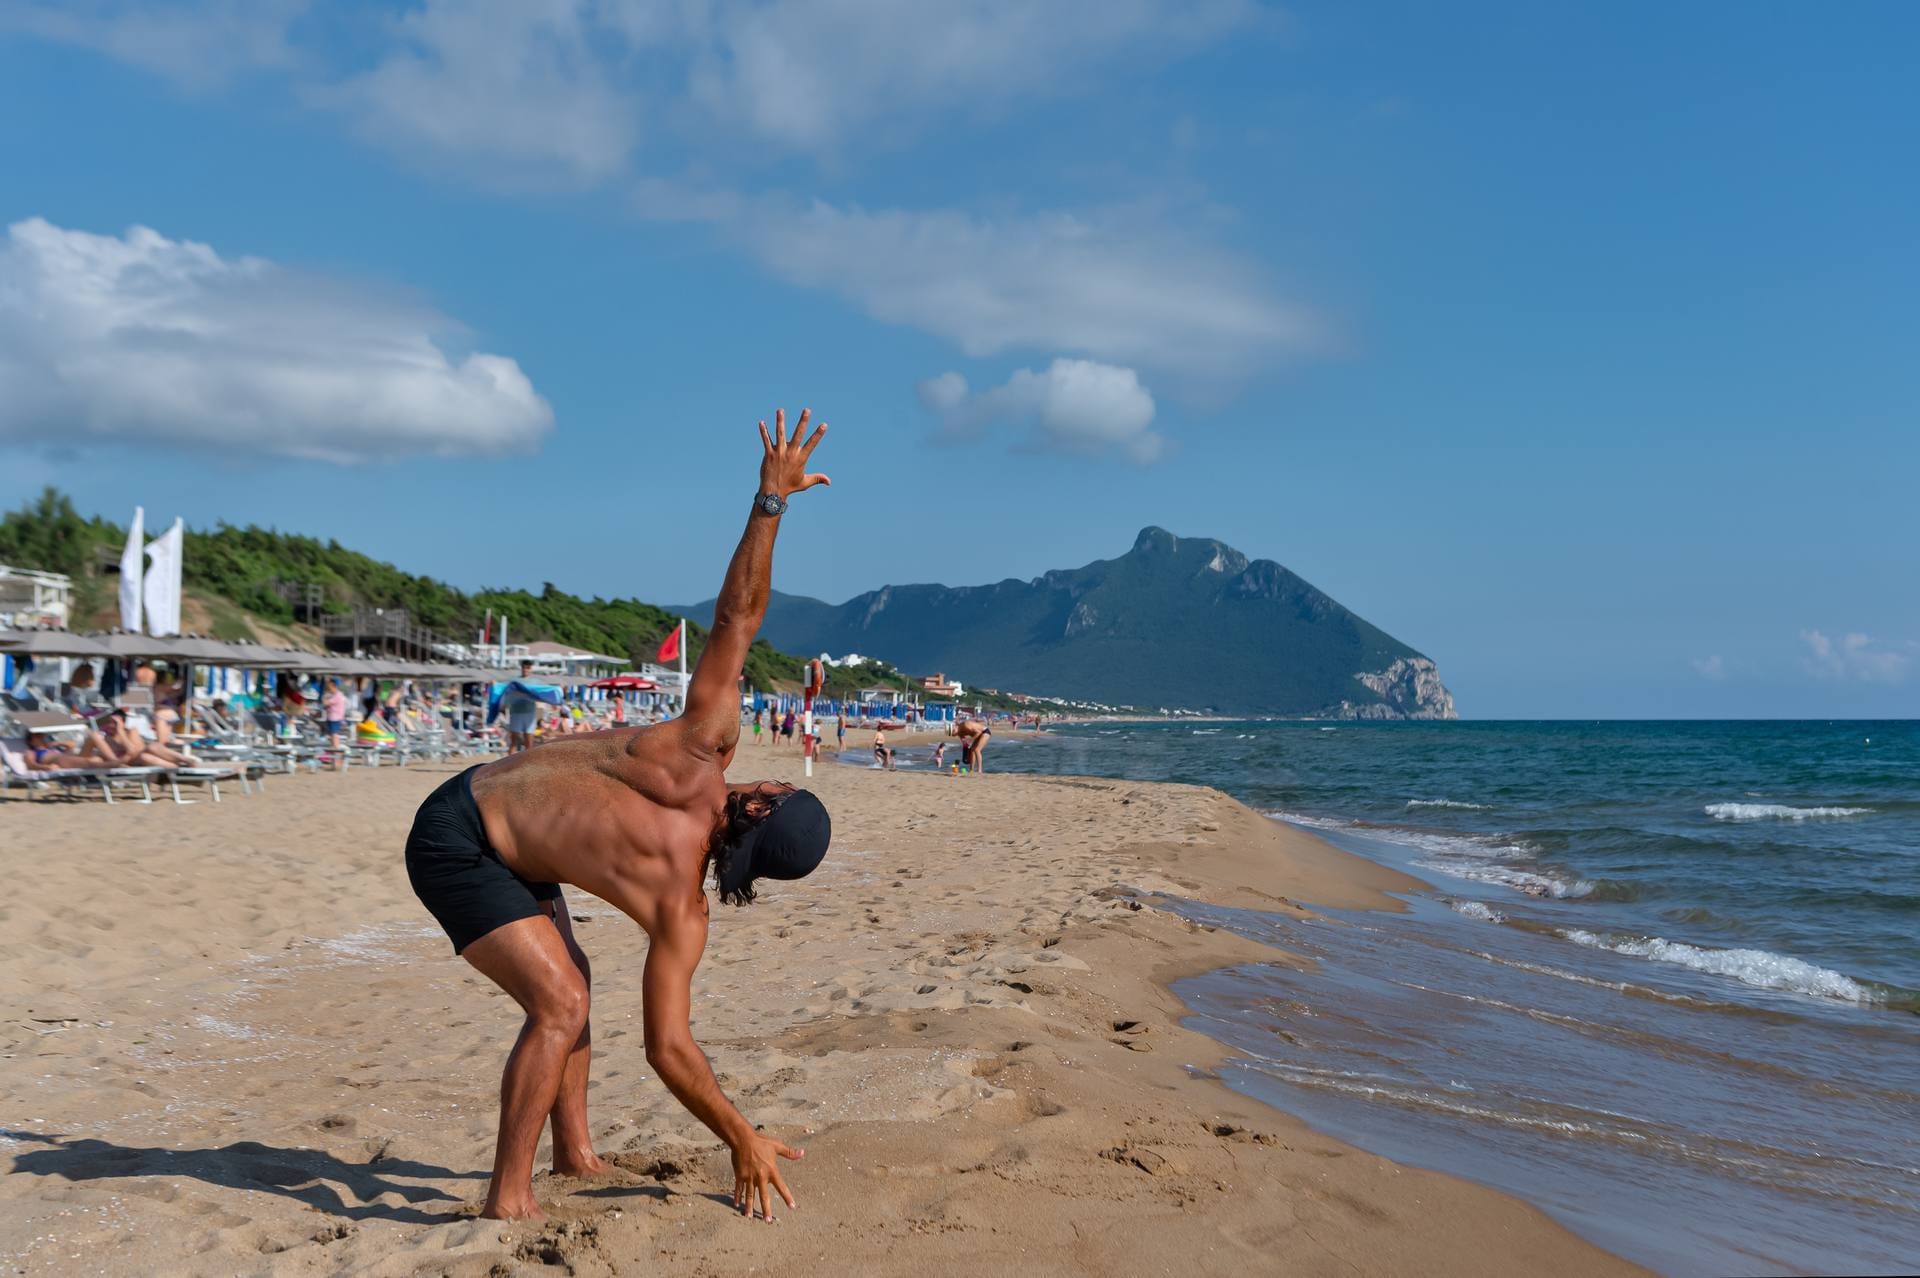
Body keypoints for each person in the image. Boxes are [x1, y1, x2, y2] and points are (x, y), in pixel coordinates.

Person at [403, 407, 831, 1223]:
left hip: (466, 829)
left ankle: (567, 1157)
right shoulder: (686, 909)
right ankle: (512, 1194)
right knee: (560, 997)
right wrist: (738, 1132)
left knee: (570, 989)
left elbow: (738, 618)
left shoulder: (702, 746)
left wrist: (770, 501)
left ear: (766, 800)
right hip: (461, 830)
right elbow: (670, 1051)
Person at [502, 661, 540, 753]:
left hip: (530, 713)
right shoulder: (514, 681)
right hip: (516, 712)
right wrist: (504, 706)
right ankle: (509, 764)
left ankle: (528, 763)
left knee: (529, 741)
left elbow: (543, 693)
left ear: (530, 669)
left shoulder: (535, 682)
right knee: (514, 741)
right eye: (524, 667)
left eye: (527, 668)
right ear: (521, 668)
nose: (525, 670)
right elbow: (505, 692)